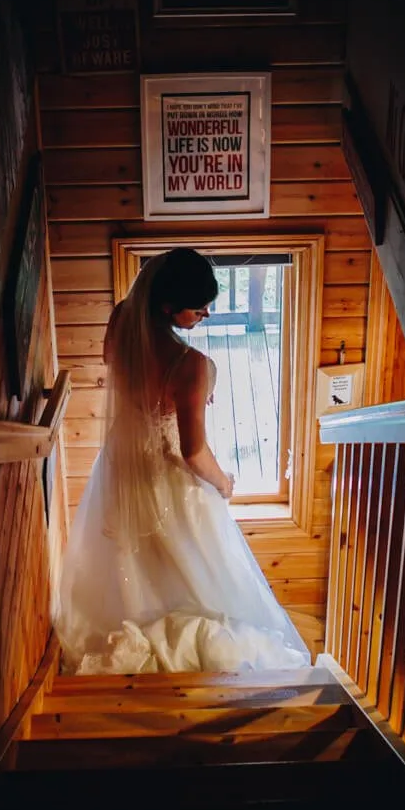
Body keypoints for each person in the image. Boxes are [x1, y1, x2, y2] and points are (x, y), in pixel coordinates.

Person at [51, 247, 312, 675]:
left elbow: (113, 362)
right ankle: (182, 646)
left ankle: (139, 628)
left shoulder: (121, 320)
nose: (207, 313)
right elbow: (192, 452)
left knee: (132, 559)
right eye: (199, 308)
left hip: (122, 463)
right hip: (166, 474)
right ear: (168, 306)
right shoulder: (191, 365)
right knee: (194, 563)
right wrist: (223, 483)